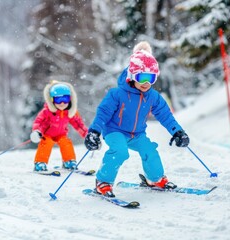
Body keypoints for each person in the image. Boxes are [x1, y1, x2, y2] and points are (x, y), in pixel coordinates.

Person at [84, 41, 190, 197]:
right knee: (120, 152)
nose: (147, 83)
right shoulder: (116, 94)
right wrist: (94, 132)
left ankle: (155, 179)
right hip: (115, 131)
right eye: (142, 77)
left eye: (151, 78)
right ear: (132, 75)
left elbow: (165, 115)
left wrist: (177, 132)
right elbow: (103, 113)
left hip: (137, 134)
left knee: (150, 150)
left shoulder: (153, 97)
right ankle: (103, 182)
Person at [30, 80, 88, 171]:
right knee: (46, 143)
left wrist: (87, 134)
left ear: (70, 99)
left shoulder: (70, 112)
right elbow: (38, 122)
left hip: (61, 134)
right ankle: (40, 163)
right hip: (47, 134)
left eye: (65, 99)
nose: (62, 103)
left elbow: (78, 124)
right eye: (58, 99)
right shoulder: (47, 111)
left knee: (66, 142)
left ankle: (69, 161)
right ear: (52, 100)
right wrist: (37, 131)